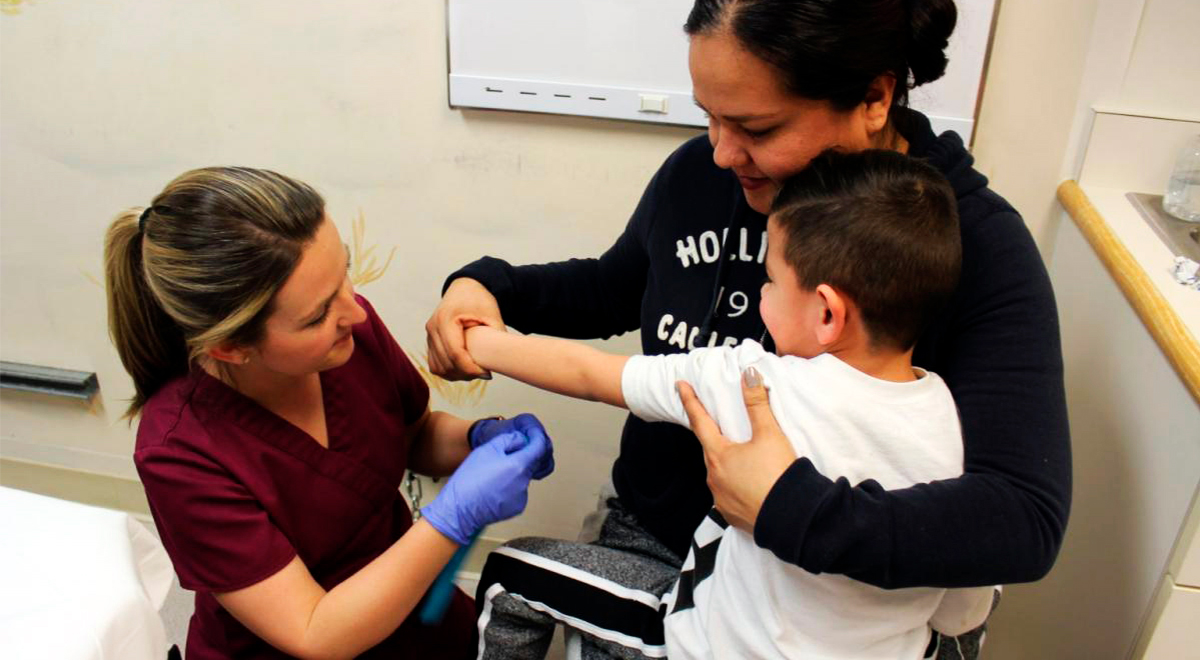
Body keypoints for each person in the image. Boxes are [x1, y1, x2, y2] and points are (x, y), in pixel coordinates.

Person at [426, 0, 1070, 657]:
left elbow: (1021, 518)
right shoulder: (701, 176)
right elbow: (613, 288)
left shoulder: (970, 246)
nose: (721, 150)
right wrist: (487, 285)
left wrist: (789, 511)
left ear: (875, 97)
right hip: (658, 545)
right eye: (709, 116)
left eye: (756, 126)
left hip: (836, 614)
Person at [464, 149, 996, 659]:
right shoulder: (957, 431)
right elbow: (959, 616)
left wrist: (478, 341)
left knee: (511, 571)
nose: (761, 296)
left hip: (707, 644)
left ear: (827, 314)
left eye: (770, 281)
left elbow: (592, 373)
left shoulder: (756, 383)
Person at [104, 166, 555, 660]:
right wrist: (452, 517)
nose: (355, 312)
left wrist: (477, 438)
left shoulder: (346, 339)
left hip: (413, 606)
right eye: (318, 314)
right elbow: (313, 630)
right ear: (233, 346)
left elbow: (413, 434)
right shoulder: (179, 452)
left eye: (343, 272)